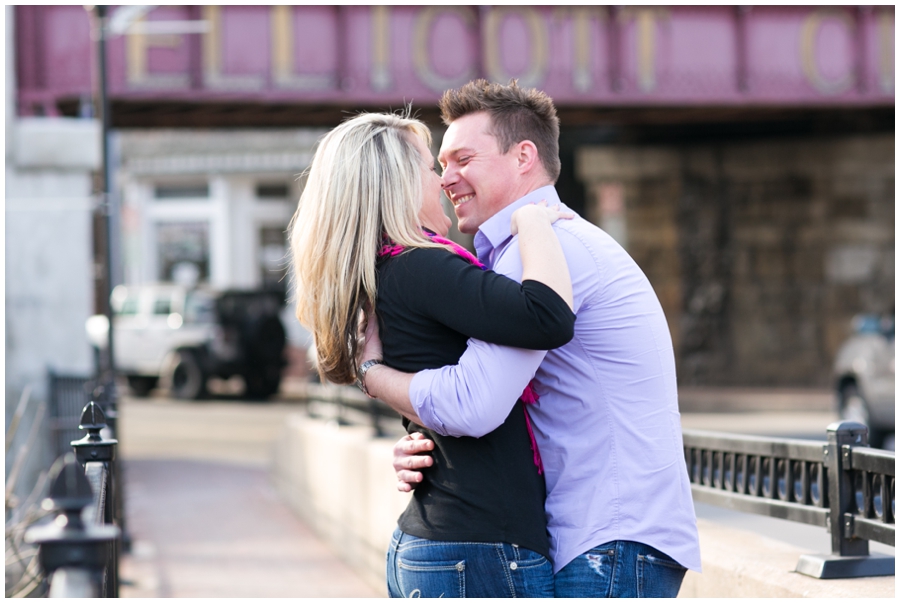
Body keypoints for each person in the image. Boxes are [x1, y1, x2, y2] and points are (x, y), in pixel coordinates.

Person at [358, 80, 702, 598]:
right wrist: (427, 438)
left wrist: (373, 374)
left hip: (606, 541)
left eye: (463, 159)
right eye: (441, 164)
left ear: (523, 157)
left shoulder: (542, 252)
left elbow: (472, 404)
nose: (446, 179)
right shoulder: (526, 250)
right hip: (603, 538)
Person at [288, 111, 577, 598]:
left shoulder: (388, 272)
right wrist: (530, 219)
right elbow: (548, 317)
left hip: (445, 541)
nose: (443, 180)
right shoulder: (422, 266)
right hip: (478, 546)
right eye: (429, 168)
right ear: (398, 184)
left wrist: (373, 375)